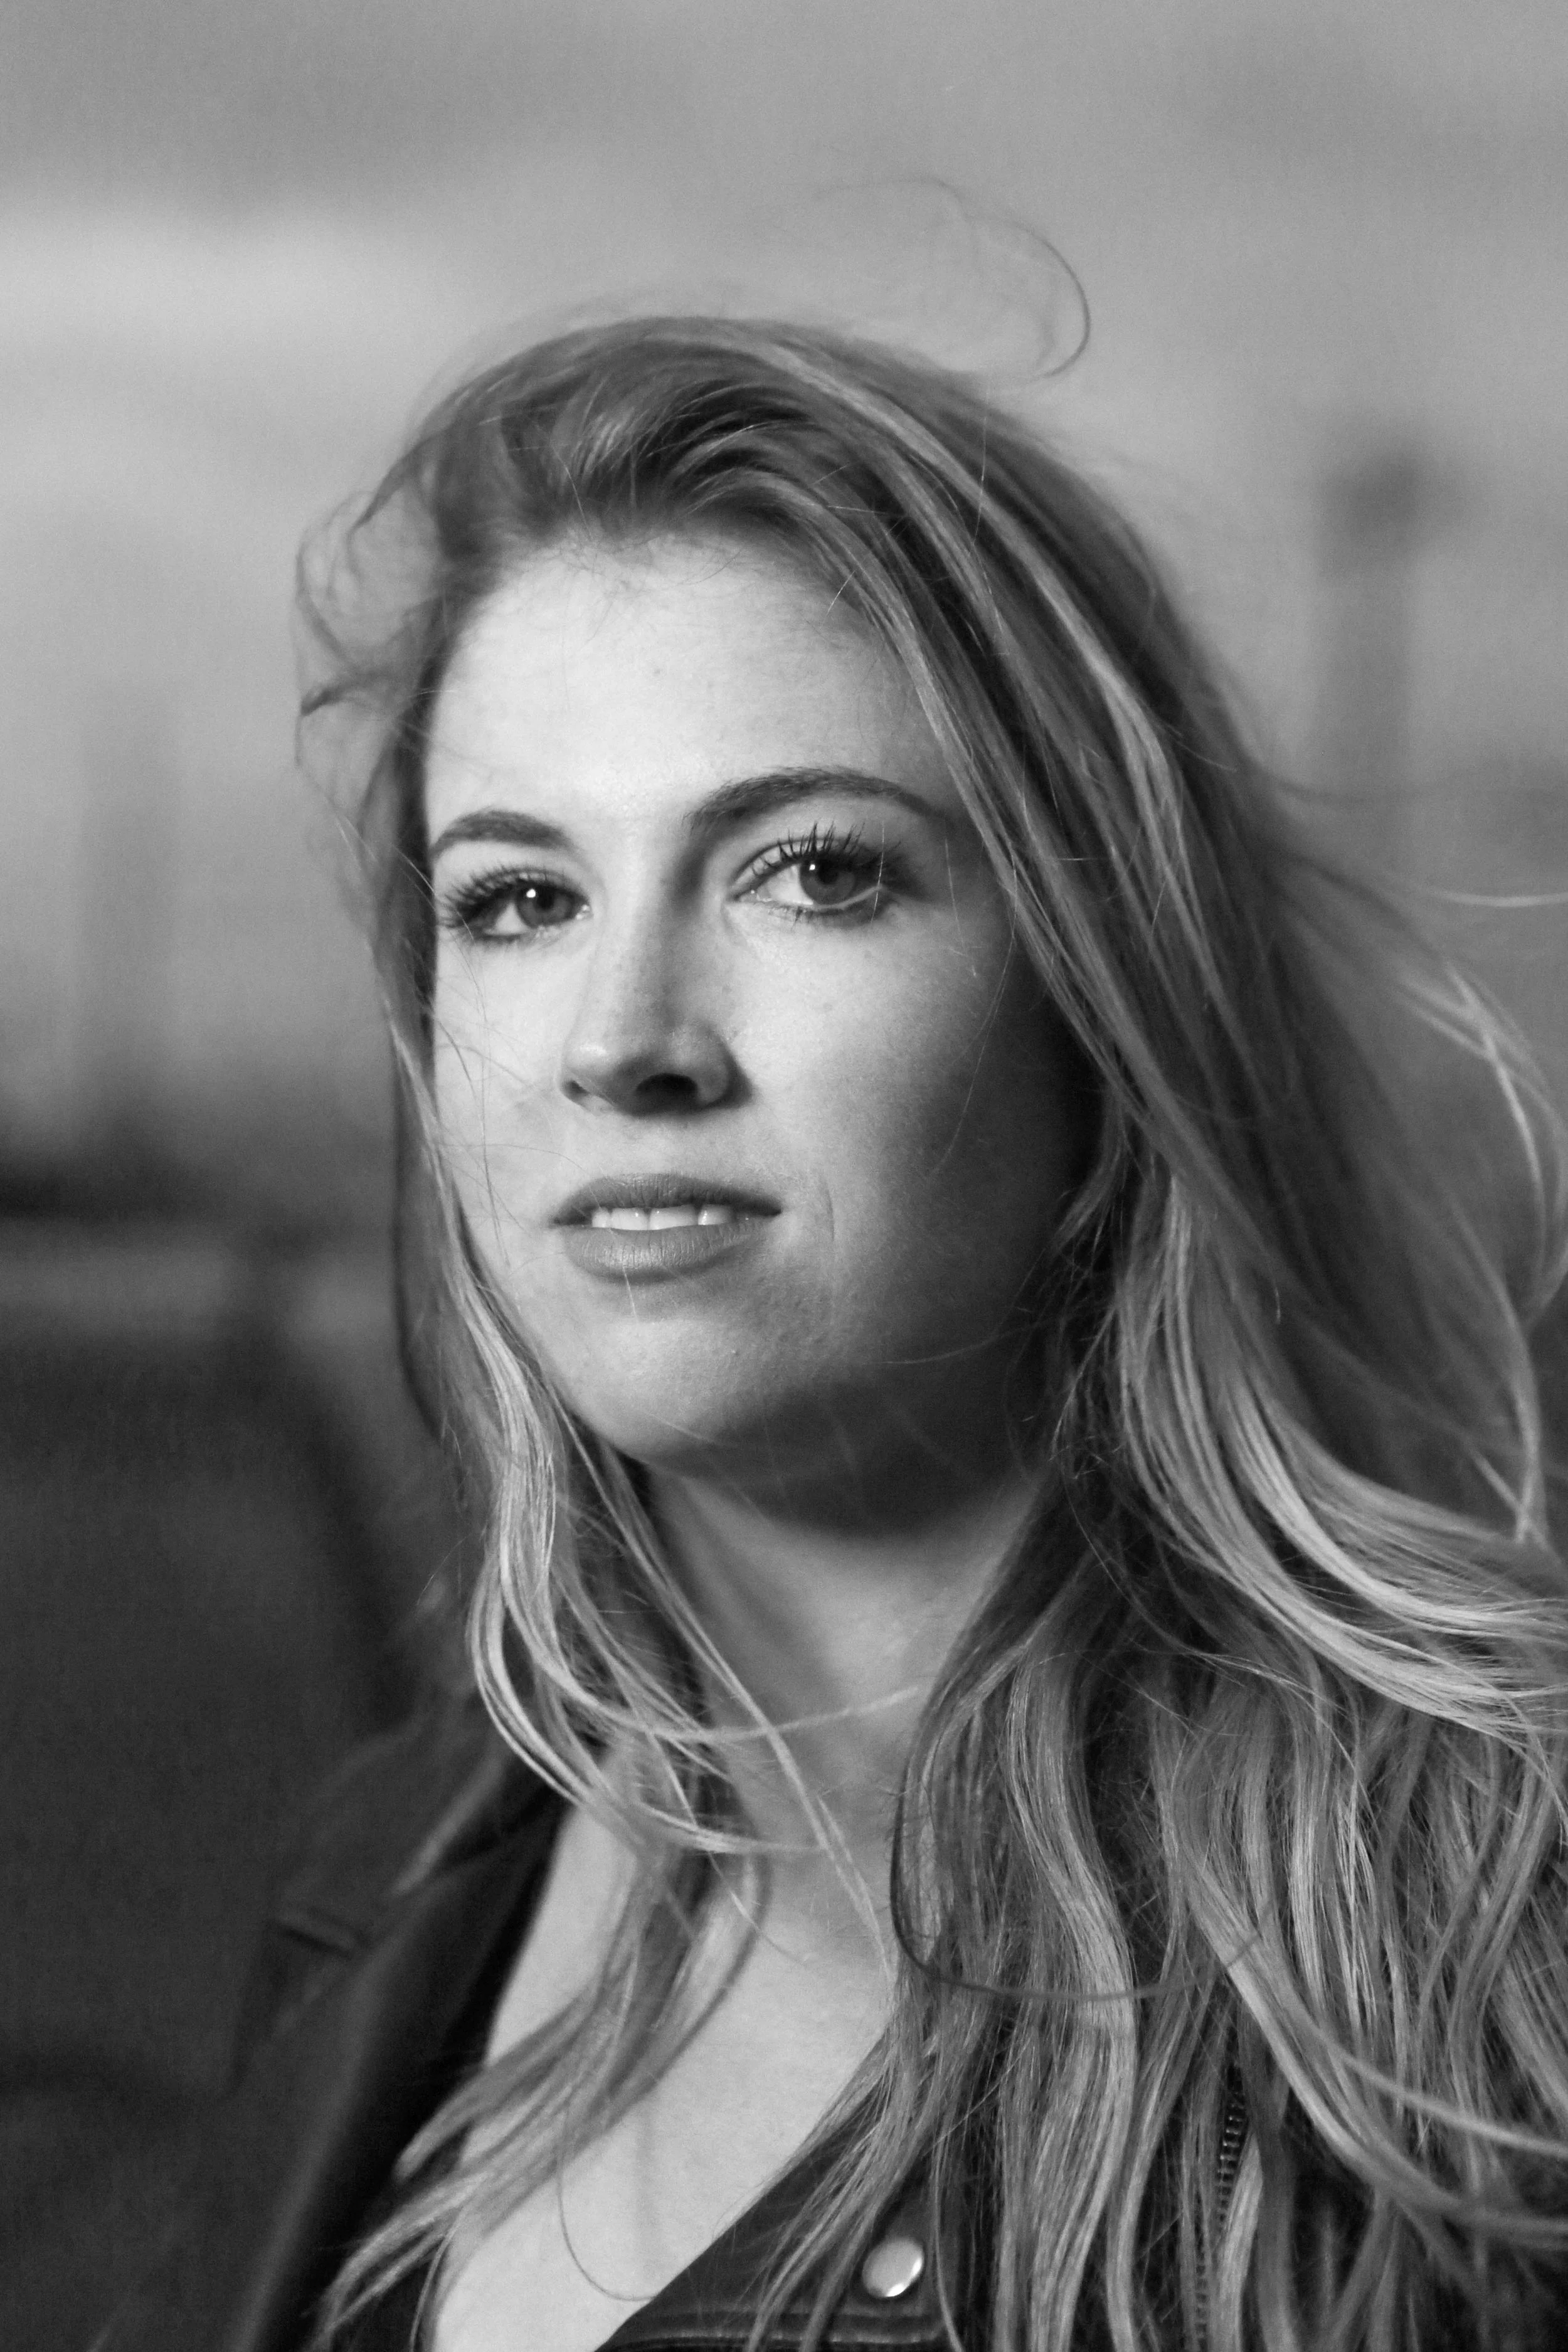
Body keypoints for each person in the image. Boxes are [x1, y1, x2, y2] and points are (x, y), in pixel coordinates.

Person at [98, 316, 1568, 2352]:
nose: (624, 1040)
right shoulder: (412, 1859)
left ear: (1099, 996)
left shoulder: (1485, 1933)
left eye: (811, 871)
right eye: (518, 900)